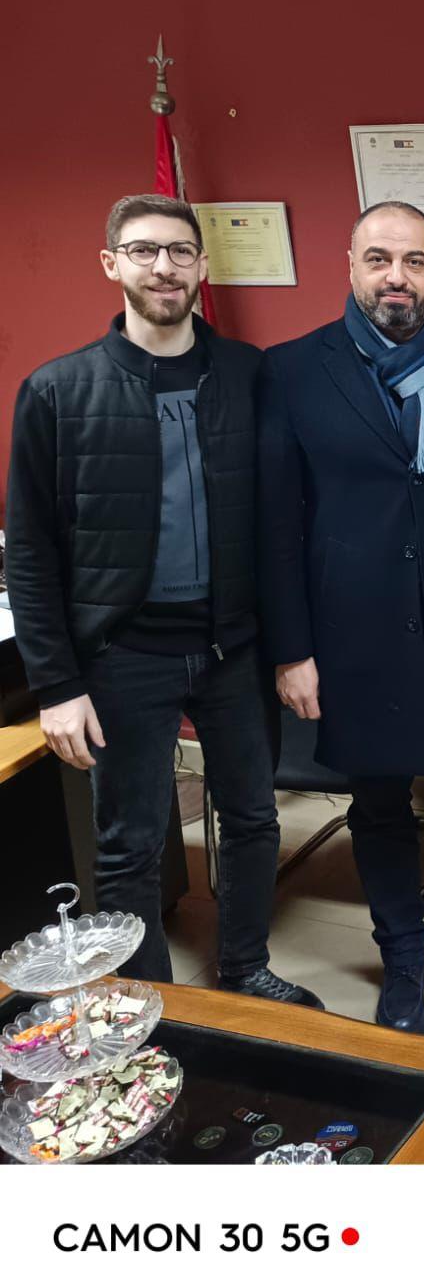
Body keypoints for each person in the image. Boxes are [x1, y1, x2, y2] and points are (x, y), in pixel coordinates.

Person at [5, 193, 319, 1004]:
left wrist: (291, 647)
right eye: (144, 251)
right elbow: (31, 553)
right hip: (123, 657)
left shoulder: (250, 375)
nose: (164, 268)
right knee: (129, 845)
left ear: (202, 266)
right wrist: (57, 685)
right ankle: (156, 1006)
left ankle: (245, 970)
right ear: (112, 264)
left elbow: (281, 522)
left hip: (232, 647)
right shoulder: (57, 391)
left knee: (252, 818)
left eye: (180, 251)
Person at [256, 201, 424, 1038]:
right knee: (377, 806)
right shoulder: (292, 369)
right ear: (350, 265)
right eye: (378, 259)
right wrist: (291, 650)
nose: (395, 278)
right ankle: (403, 962)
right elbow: (277, 522)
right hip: (352, 631)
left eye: (414, 261)